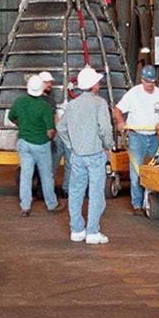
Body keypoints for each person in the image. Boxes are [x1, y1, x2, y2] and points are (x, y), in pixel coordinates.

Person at [57, 66, 115, 245]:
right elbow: (105, 129)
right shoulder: (100, 103)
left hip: (77, 155)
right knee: (96, 193)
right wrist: (109, 146)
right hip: (95, 154)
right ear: (94, 85)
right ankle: (92, 232)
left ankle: (76, 230)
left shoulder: (72, 105)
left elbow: (60, 127)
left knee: (76, 192)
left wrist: (71, 144)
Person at [113, 65, 159, 215]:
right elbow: (117, 110)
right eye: (147, 82)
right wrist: (121, 122)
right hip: (136, 137)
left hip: (153, 137)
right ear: (142, 80)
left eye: (153, 82)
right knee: (136, 171)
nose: (150, 85)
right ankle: (137, 205)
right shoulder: (133, 94)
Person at [9, 75, 62, 216]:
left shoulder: (19, 102)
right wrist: (50, 137)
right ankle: (52, 204)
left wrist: (21, 125)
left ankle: (25, 206)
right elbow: (51, 131)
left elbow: (11, 117)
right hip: (41, 145)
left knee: (26, 175)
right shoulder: (45, 106)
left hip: (24, 143)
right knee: (46, 175)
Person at [37, 70, 69, 197]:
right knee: (48, 165)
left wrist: (59, 131)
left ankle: (48, 190)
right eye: (47, 82)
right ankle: (47, 190)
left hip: (50, 136)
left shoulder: (50, 100)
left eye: (50, 82)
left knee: (49, 164)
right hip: (44, 137)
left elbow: (55, 117)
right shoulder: (40, 100)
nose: (50, 84)